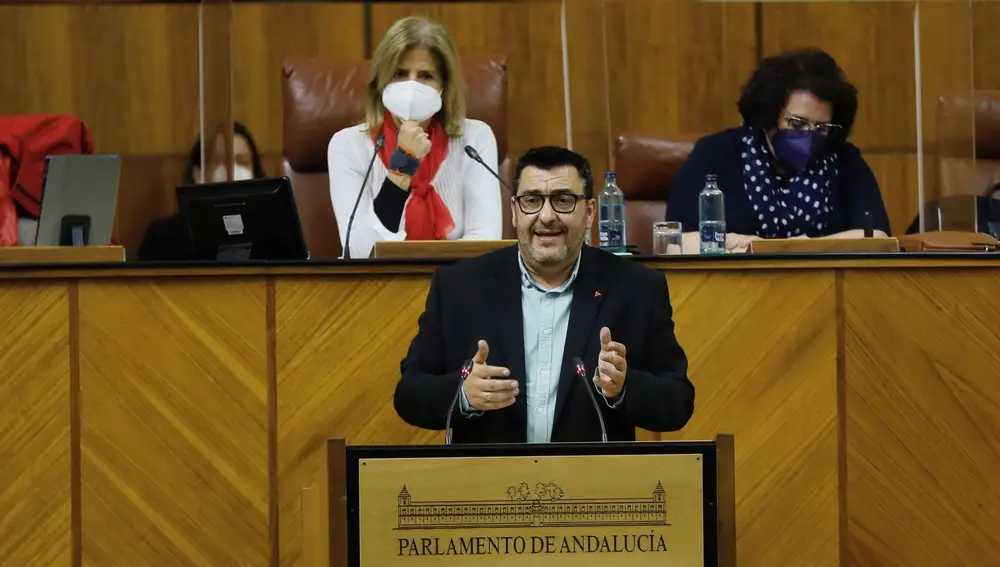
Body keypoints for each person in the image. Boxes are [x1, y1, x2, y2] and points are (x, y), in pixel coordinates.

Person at [393, 146, 694, 444]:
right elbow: (409, 394)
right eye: (532, 200)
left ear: (589, 213)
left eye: (563, 200)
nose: (546, 216)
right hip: (487, 485)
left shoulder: (637, 289)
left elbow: (678, 402)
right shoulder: (459, 287)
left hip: (594, 486)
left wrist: (626, 385)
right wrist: (462, 395)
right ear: (514, 211)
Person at [666, 48, 891, 253]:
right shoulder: (717, 153)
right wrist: (746, 245)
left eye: (821, 128)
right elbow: (676, 242)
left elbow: (876, 236)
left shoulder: (843, 159)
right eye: (796, 124)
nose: (808, 135)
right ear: (769, 115)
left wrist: (799, 248)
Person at [327, 16, 502, 259]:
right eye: (399, 74)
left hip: (458, 288)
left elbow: (486, 246)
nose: (411, 88)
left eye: (425, 76)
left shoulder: (474, 139)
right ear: (381, 81)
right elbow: (360, 251)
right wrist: (402, 168)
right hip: (379, 291)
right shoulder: (348, 145)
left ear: (444, 86)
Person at [137, 123, 265, 261]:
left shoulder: (271, 234)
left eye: (242, 162)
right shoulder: (163, 237)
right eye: (219, 161)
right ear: (198, 175)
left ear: (255, 172)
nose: (231, 171)